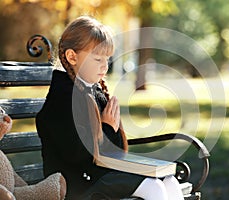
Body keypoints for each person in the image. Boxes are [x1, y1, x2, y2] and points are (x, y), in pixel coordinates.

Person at [36, 15, 184, 200]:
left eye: (107, 59)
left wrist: (111, 128)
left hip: (99, 176)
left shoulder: (93, 91)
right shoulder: (62, 98)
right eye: (98, 59)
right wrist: (106, 128)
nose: (105, 67)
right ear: (72, 56)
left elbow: (116, 151)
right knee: (153, 187)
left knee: (169, 181)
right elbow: (76, 155)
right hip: (75, 186)